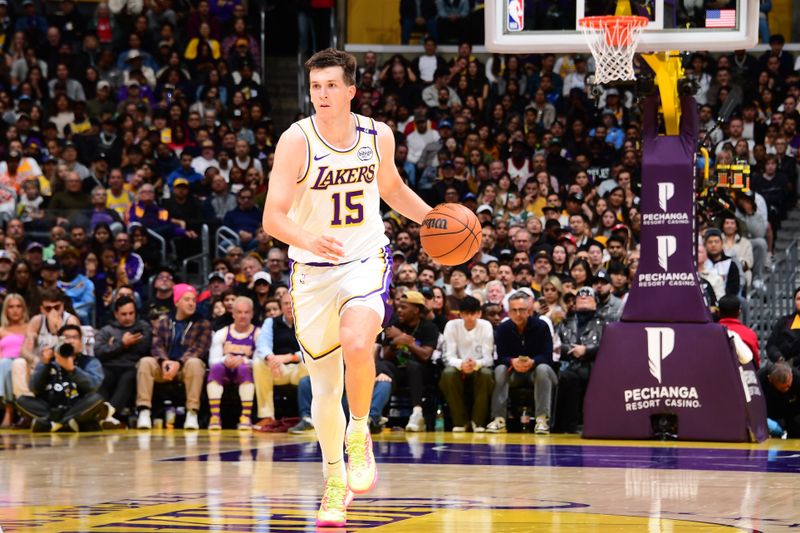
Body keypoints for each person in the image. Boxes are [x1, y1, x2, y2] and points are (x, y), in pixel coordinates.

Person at [262, 48, 432, 527]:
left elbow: (393, 189)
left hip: (364, 258)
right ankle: (335, 482)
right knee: (323, 388)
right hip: (311, 272)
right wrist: (309, 237)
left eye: (332, 85)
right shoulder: (296, 141)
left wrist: (434, 218)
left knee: (359, 342)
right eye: (316, 87)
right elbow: (273, 218)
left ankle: (360, 430)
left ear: (352, 90)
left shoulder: (377, 135)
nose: (322, 95)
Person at [135, 284, 210, 430]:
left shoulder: (203, 323)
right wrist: (164, 361)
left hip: (185, 368)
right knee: (145, 362)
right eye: (187, 299)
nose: (191, 303)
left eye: (194, 300)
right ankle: (144, 411)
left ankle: (192, 413)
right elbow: (157, 345)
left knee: (195, 363)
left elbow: (198, 349)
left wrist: (179, 364)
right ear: (176, 302)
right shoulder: (163, 322)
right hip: (165, 367)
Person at [488, 291, 557, 434]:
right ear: (508, 312)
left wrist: (533, 362)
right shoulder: (503, 329)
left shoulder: (541, 327)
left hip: (538, 374)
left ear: (529, 311)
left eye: (522, 310)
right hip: (515, 374)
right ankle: (499, 419)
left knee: (543, 368)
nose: (518, 314)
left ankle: (542, 419)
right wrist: (512, 361)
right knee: (500, 368)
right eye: (514, 310)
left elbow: (548, 357)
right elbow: (499, 358)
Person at [16, 324, 106, 432]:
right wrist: (45, 365)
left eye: (74, 337)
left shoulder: (90, 361)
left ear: (80, 342)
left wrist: (72, 370)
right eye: (66, 338)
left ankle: (51, 424)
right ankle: (68, 423)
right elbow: (34, 388)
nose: (70, 341)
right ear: (59, 341)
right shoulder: (48, 360)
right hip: (49, 407)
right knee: (21, 400)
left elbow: (93, 386)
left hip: (76, 406)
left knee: (97, 398)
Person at [438, 296, 494, 432]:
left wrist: (476, 364)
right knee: (448, 373)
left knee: (486, 374)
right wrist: (461, 364)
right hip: (458, 367)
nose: (470, 317)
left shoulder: (486, 326)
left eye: (474, 313)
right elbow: (448, 356)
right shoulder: (451, 326)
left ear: (479, 313)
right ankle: (460, 422)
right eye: (467, 313)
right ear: (461, 314)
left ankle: (478, 422)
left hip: (479, 367)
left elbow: (488, 358)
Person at [94, 296, 152, 428]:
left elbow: (144, 348)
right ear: (116, 314)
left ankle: (110, 415)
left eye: (131, 313)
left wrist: (114, 345)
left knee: (128, 377)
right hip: (109, 366)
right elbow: (99, 352)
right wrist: (122, 344)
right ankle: (99, 413)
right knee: (101, 375)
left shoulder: (143, 327)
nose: (128, 317)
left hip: (131, 366)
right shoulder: (106, 330)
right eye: (124, 314)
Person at [252, 292, 307, 430]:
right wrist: (270, 358)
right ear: (281, 307)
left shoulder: (308, 322)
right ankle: (267, 416)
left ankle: (309, 417)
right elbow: (262, 345)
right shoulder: (270, 322)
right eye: (286, 304)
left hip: (300, 370)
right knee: (259, 362)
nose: (289, 307)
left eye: (292, 303)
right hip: (279, 370)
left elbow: (311, 348)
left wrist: (290, 357)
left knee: (311, 362)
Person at [554, 286, 605, 433]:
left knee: (584, 373)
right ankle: (564, 425)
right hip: (568, 365)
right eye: (580, 296)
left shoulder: (604, 324)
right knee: (566, 376)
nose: (583, 296)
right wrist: (572, 351)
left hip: (594, 365)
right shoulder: (564, 323)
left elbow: (608, 346)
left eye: (588, 296)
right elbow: (556, 346)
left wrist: (586, 351)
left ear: (596, 303)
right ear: (574, 304)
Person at [206, 296, 259, 431]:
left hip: (246, 372)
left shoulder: (258, 333)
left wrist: (244, 360)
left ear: (252, 314)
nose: (243, 316)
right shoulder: (222, 333)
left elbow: (260, 361)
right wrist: (225, 360)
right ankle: (215, 416)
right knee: (216, 368)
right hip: (225, 372)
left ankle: (246, 416)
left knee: (243, 368)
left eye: (246, 312)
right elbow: (212, 361)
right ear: (233, 314)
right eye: (239, 312)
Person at [0, 294, 29, 427]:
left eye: (18, 306)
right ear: (6, 310)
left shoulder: (31, 327)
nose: (15, 310)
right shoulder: (1, 330)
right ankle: (9, 409)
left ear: (23, 309)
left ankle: (11, 410)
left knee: (16, 365)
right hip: (4, 366)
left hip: (26, 364)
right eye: (11, 307)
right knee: (5, 364)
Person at [758, 362, 800, 438]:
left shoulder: (798, 378)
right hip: (770, 413)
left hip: (793, 412)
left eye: (788, 386)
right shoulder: (760, 378)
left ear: (791, 375)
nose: (786, 390)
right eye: (782, 388)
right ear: (770, 379)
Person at [718, 294, 760, 368]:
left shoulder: (709, 333)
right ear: (739, 312)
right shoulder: (750, 334)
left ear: (719, 312)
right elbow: (756, 363)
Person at [766, 287, 800, 366]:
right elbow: (771, 345)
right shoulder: (784, 321)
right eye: (799, 299)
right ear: (794, 302)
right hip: (782, 368)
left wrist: (793, 361)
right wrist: (778, 357)